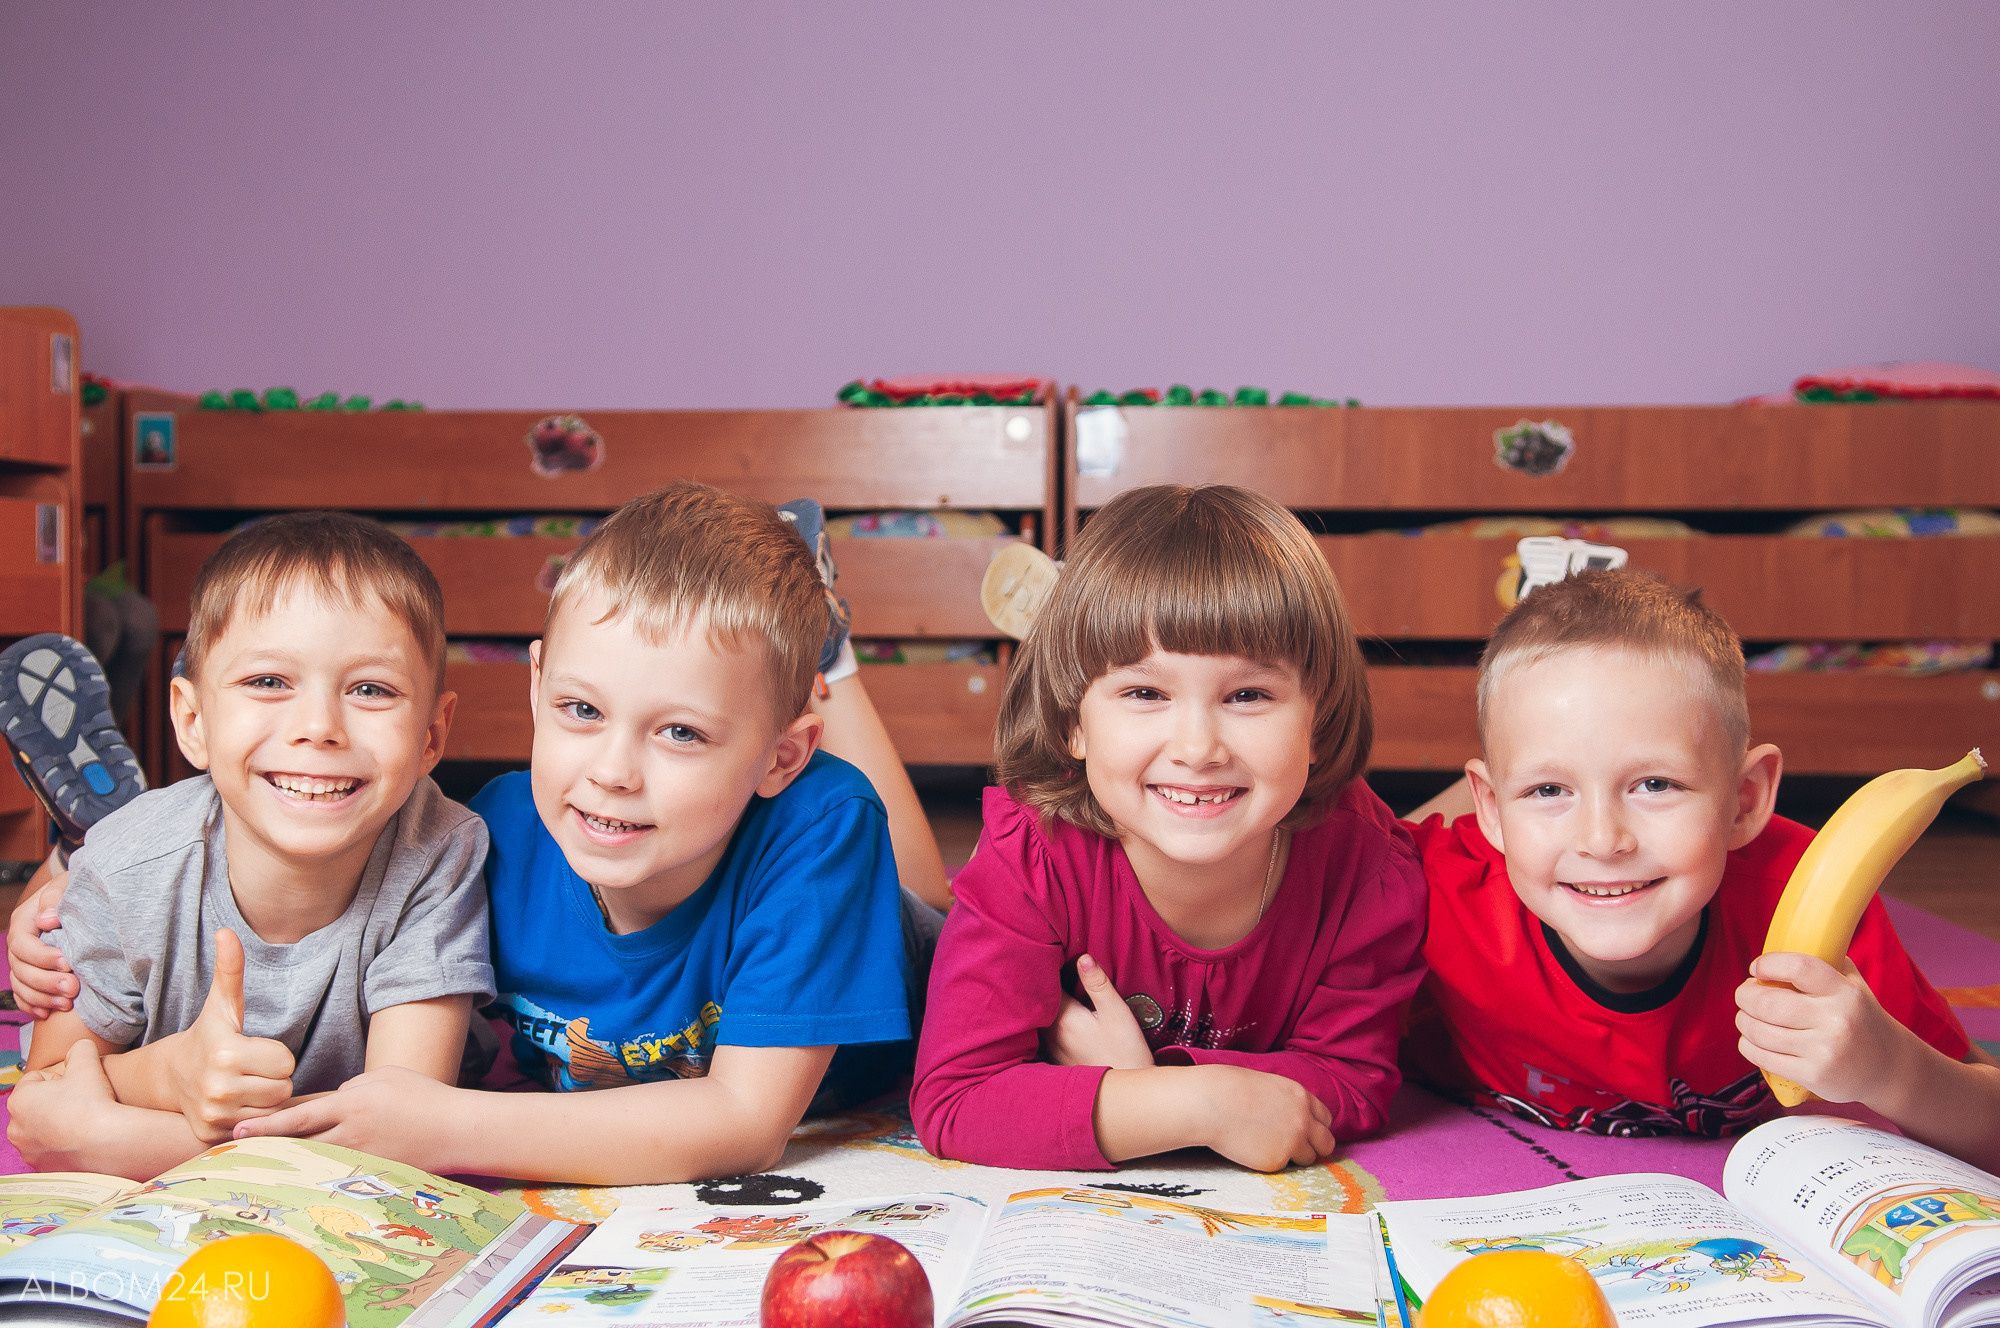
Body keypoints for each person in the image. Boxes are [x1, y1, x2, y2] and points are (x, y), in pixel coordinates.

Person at [209, 481, 918, 1183]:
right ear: (536, 683)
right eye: (581, 709)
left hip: (892, 948)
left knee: (920, 890)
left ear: (780, 757)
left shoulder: (820, 827)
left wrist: (442, 1125)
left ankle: (833, 658)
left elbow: (744, 1123)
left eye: (680, 732)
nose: (613, 772)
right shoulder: (489, 834)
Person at [1402, 570, 2000, 1170]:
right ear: (1490, 811)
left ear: (1745, 799)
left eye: (1655, 784)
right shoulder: (1430, 888)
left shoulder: (1811, 899)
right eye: (1548, 788)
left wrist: (1891, 1069)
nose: (1603, 840)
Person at [911, 484, 1428, 1172]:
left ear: (1319, 725)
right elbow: (955, 1101)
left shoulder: (1366, 865)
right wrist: (1192, 1104)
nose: (1197, 747)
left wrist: (1148, 1079)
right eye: (1145, 693)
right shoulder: (1033, 851)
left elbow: (1353, 1080)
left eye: (1247, 695)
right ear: (1073, 723)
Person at [5, 513, 494, 1178]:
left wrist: (138, 1140)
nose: (319, 726)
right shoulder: (131, 868)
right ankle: (73, 855)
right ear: (193, 720)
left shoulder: (441, 849)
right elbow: (48, 1095)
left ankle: (74, 850)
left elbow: (403, 1125)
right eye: (268, 682)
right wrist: (165, 1074)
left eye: (371, 689)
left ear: (432, 738)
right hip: (137, 862)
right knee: (99, 874)